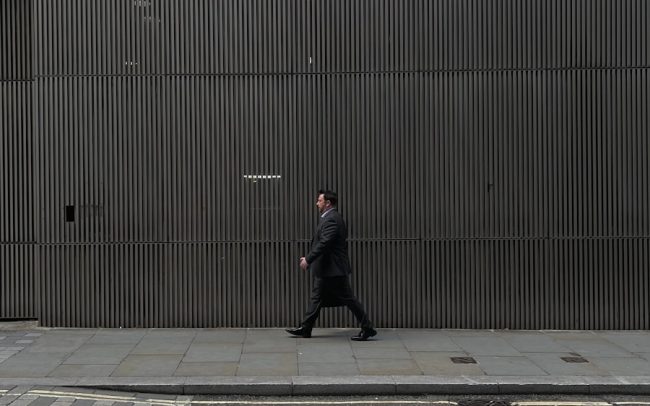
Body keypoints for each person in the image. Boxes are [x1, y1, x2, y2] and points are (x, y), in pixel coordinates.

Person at [286, 190, 377, 341]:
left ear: (328, 203)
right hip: (327, 269)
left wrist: (308, 259)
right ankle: (306, 328)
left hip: (333, 269)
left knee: (348, 299)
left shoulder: (332, 219)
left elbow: (324, 243)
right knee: (317, 298)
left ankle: (367, 328)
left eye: (319, 201)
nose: (317, 203)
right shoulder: (328, 218)